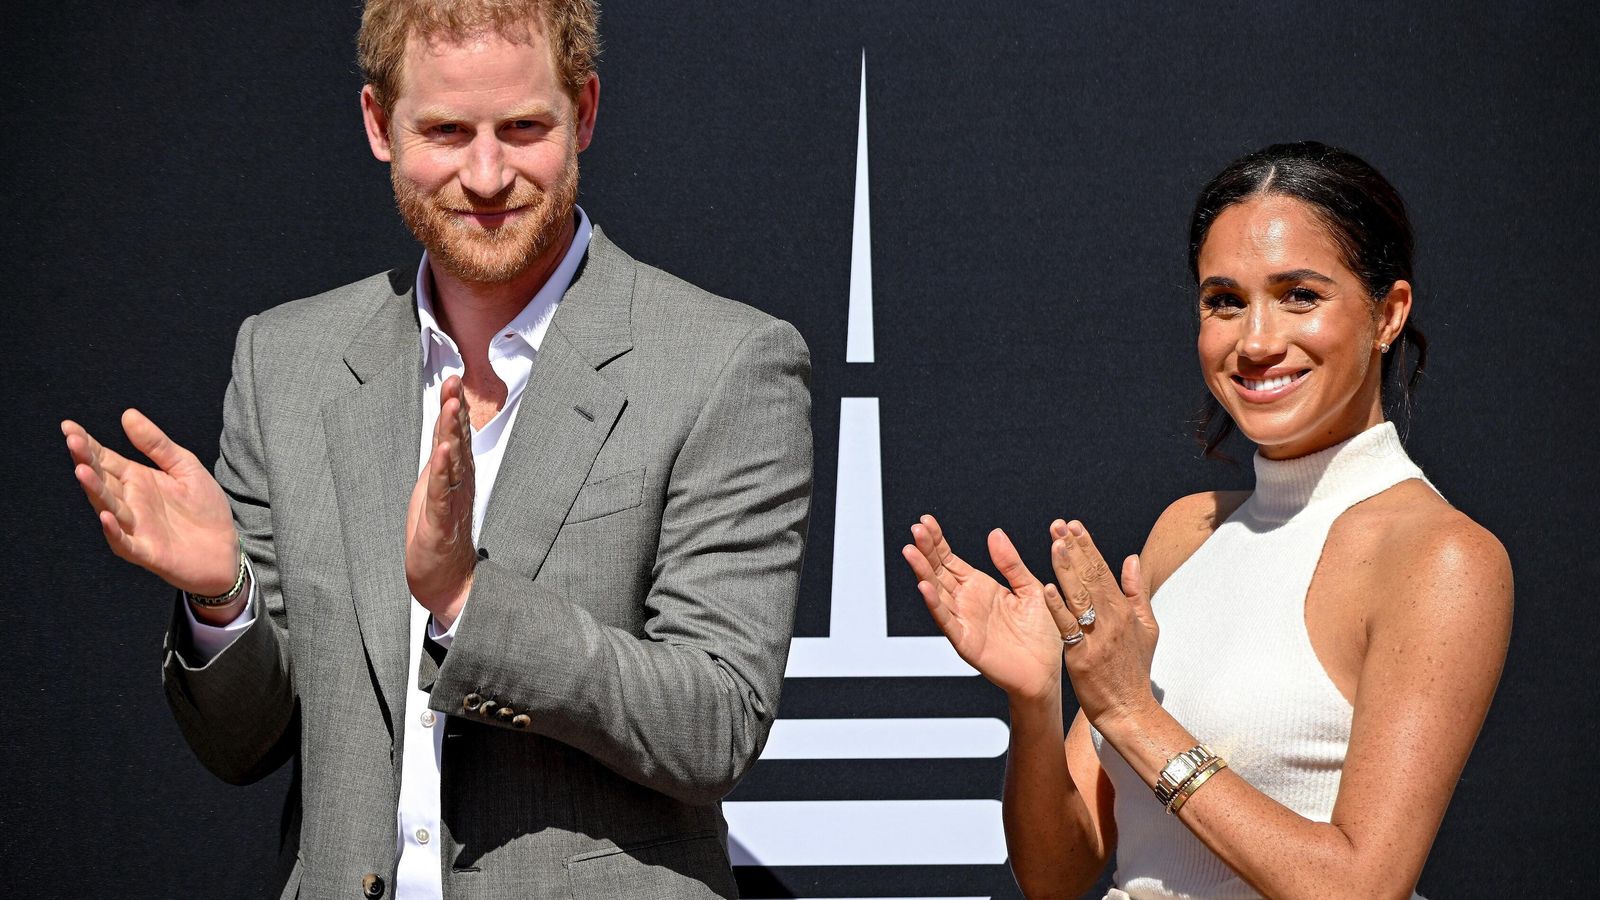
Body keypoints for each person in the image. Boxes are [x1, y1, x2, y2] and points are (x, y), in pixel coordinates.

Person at [59, 1, 812, 898]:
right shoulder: (285, 363)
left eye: (524, 127)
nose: (486, 175)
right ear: (380, 124)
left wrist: (468, 602)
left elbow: (716, 724)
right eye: (447, 130)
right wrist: (222, 597)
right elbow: (240, 746)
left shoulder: (725, 362)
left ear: (588, 111)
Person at [902, 142, 1510, 899]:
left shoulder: (1441, 556)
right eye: (1225, 300)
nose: (1256, 342)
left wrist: (1130, 713)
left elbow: (1359, 887)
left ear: (1387, 314)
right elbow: (1058, 875)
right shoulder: (1183, 534)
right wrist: (1037, 702)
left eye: (1299, 296)